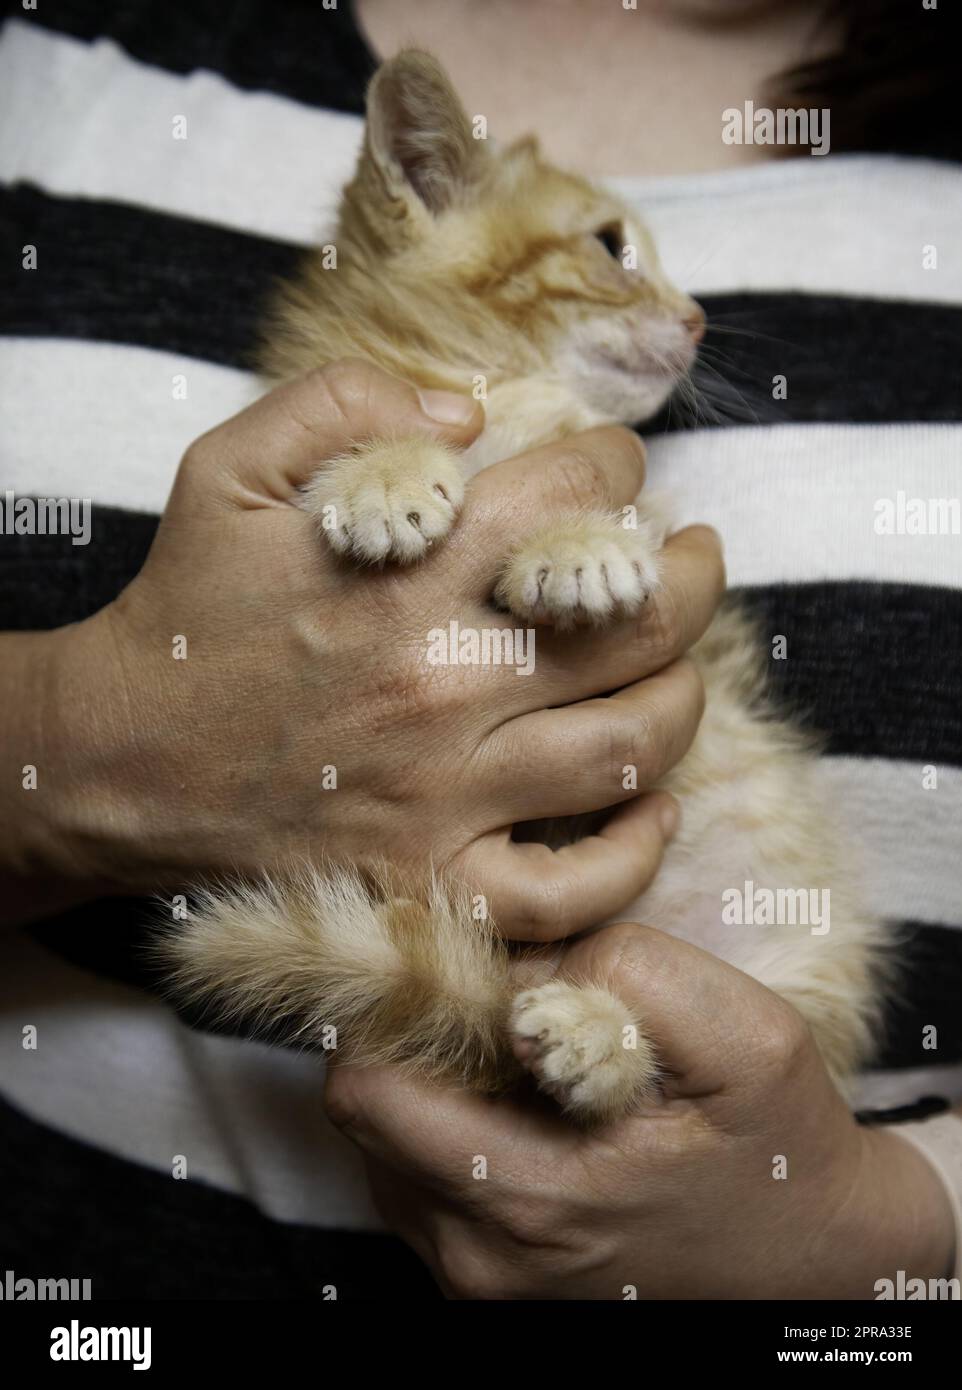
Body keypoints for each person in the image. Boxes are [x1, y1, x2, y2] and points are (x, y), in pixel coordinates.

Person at [0, 0, 959, 1299]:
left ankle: (603, 1033)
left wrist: (885, 1228)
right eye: (616, 251)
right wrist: (75, 748)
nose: (684, 318)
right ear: (420, 189)